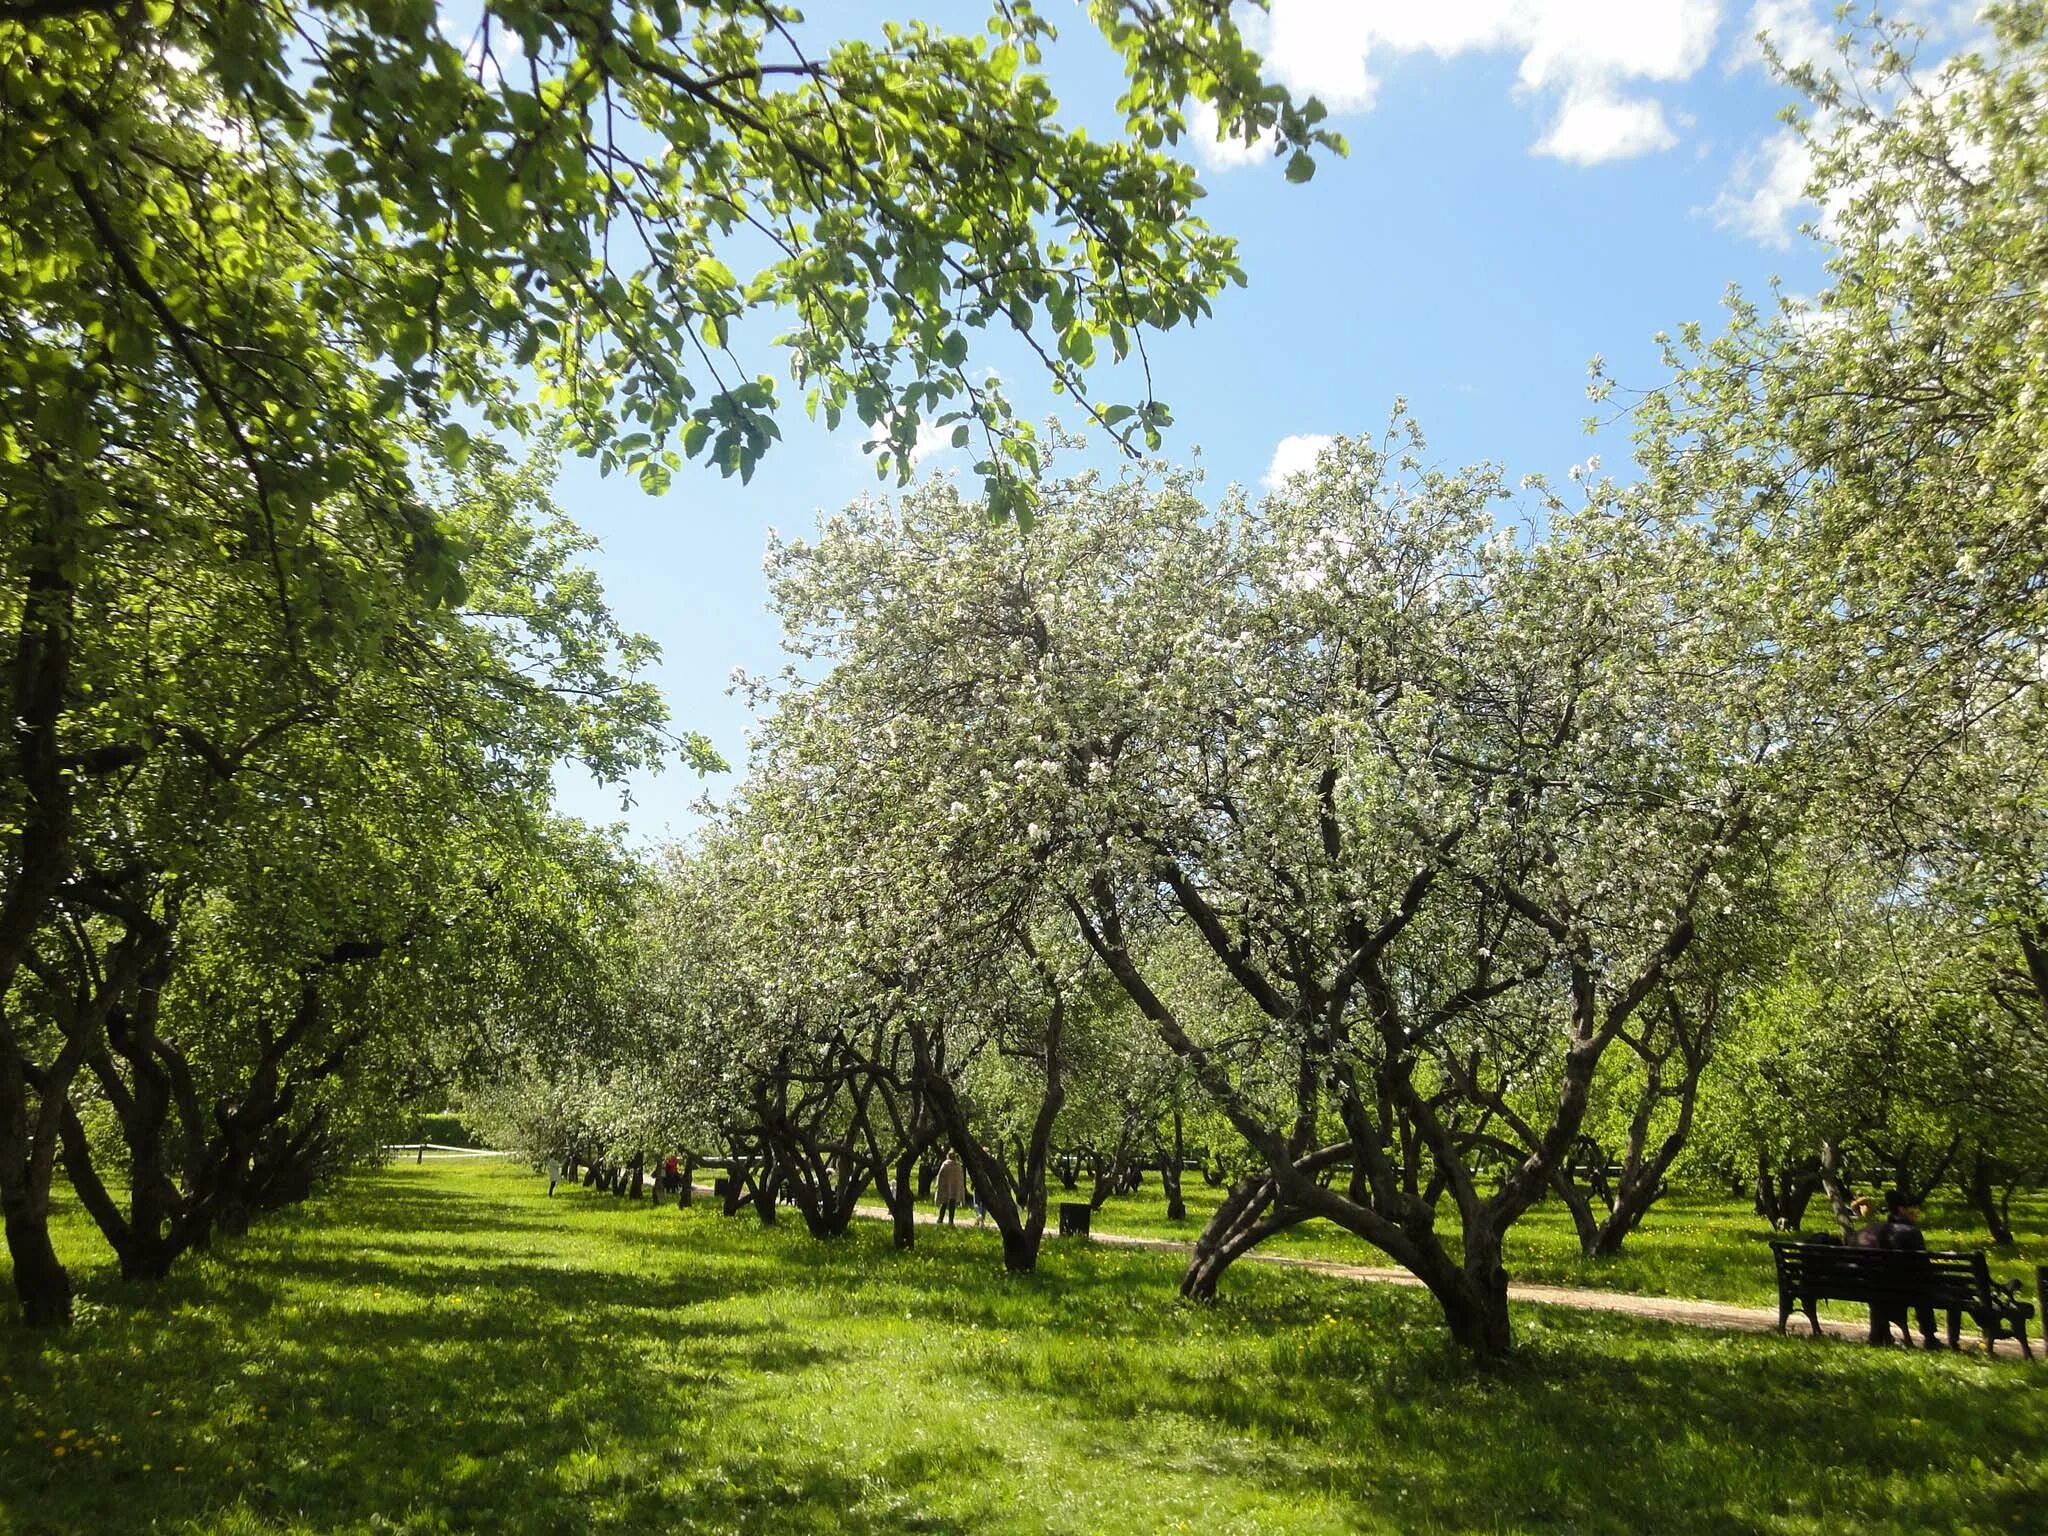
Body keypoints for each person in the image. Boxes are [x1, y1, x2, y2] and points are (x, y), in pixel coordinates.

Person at [1857, 1189, 1936, 1347]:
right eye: (1910, 1209)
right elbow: (1923, 1266)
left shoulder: (1877, 1230)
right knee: (1923, 1289)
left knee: (1886, 1286)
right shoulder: (1911, 1232)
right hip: (1907, 1287)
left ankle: (1880, 1333)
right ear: (1901, 1209)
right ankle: (1930, 1336)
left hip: (1878, 1286)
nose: (1914, 1213)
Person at [935, 1150, 966, 1226]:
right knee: (952, 1204)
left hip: (946, 1187)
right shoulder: (958, 1166)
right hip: (955, 1188)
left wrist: (939, 1185)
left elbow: (940, 1176)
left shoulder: (945, 1165)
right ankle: (951, 1221)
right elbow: (961, 1178)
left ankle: (940, 1219)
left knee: (944, 1203)